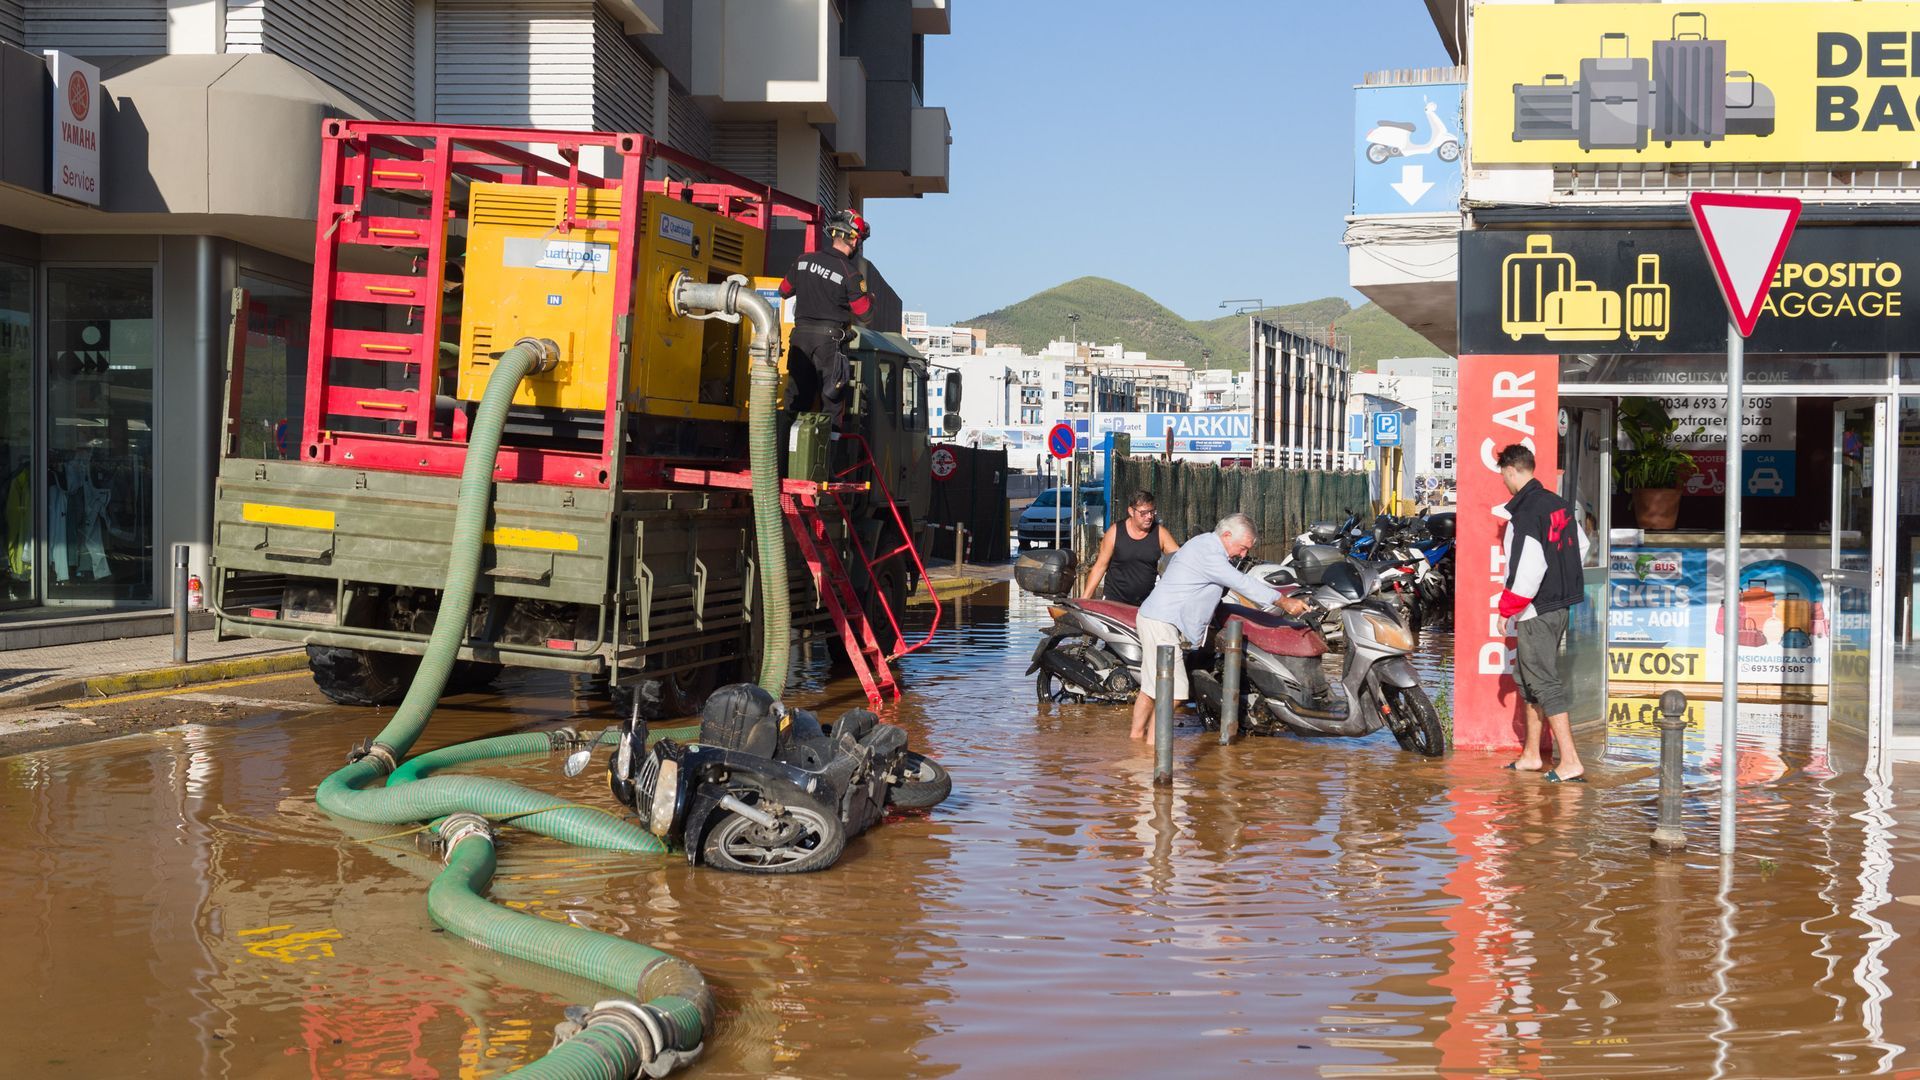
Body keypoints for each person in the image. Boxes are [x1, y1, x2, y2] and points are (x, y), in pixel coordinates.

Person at [1131, 513, 1308, 745]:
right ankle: (1153, 746)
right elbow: (1241, 583)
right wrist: (1284, 602)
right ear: (1226, 535)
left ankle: (1135, 743)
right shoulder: (1210, 554)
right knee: (1174, 691)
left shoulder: (1205, 543)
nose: (1243, 554)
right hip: (1162, 622)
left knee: (1151, 688)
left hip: (1156, 617)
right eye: (1243, 548)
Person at [1493, 444, 1592, 782]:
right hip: (1559, 605)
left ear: (1510, 470)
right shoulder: (1558, 505)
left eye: (1503, 476)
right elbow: (1582, 546)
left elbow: (1528, 569)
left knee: (1544, 683)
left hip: (1536, 609)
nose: (1504, 482)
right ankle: (1532, 755)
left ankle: (1571, 761)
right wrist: (1560, 579)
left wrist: (1506, 609)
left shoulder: (1526, 513)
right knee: (1528, 680)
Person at [777, 210, 874, 430]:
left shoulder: (803, 261)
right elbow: (865, 314)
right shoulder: (850, 274)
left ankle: (783, 458)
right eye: (859, 240)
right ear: (852, 238)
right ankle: (827, 460)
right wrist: (870, 299)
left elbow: (783, 290)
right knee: (832, 405)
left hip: (800, 339)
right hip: (829, 345)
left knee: (796, 401)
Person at [1081, 489, 1179, 606]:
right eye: (1143, 513)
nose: (1149, 517)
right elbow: (1100, 567)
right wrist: (1083, 601)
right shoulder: (1114, 532)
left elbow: (1179, 561)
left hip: (1146, 604)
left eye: (1152, 512)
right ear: (1131, 511)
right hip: (1114, 601)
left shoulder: (1160, 534)